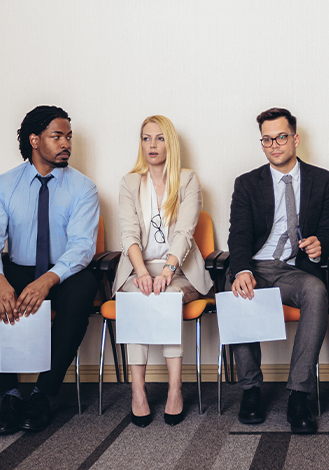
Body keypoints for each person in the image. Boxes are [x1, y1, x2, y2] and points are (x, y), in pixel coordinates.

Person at [0, 105, 100, 436]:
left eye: (69, 136)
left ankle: (42, 394)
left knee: (84, 290)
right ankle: (8, 394)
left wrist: (47, 281)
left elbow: (82, 247)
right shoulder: (2, 185)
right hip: (16, 269)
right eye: (57, 136)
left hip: (60, 273)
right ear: (35, 140)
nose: (66, 143)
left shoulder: (83, 188)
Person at [226, 107, 329, 434]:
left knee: (317, 291)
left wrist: (321, 245)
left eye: (281, 137)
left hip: (292, 269)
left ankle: (299, 394)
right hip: (255, 266)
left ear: (295, 139)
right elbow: (239, 235)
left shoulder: (322, 179)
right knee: (237, 290)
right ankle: (251, 390)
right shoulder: (247, 183)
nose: (274, 145)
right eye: (267, 139)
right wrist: (242, 269)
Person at [111, 115, 213, 427]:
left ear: (170, 142)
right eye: (146, 138)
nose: (152, 145)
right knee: (140, 298)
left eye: (159, 138)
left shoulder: (187, 179)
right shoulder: (129, 183)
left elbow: (185, 231)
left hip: (179, 272)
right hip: (137, 270)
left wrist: (167, 272)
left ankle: (174, 388)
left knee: (165, 297)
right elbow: (128, 235)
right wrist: (142, 273)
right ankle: (138, 390)